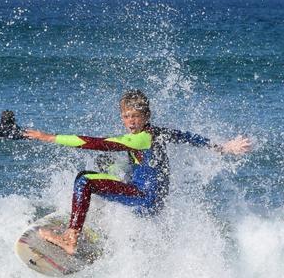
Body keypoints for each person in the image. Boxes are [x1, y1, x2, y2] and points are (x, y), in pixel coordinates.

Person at [24, 89, 252, 254]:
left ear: (146, 117)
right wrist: (222, 147)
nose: (130, 121)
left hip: (143, 199)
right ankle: (99, 224)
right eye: (126, 116)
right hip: (155, 202)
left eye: (135, 116)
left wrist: (49, 137)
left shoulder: (140, 139)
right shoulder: (158, 132)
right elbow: (188, 137)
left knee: (84, 180)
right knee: (107, 165)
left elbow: (95, 142)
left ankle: (70, 238)